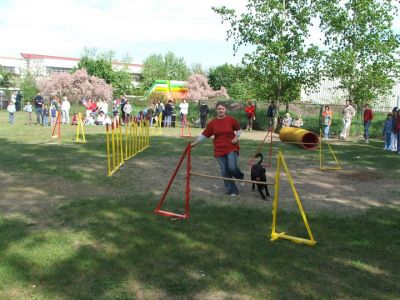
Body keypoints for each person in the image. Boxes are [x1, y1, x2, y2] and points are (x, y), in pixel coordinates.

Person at [191, 102, 244, 196]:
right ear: (216, 110)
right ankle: (232, 190)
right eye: (219, 109)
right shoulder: (213, 123)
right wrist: (194, 143)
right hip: (219, 149)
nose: (220, 110)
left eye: (222, 108)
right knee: (224, 171)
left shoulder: (231, 120)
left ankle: (240, 176)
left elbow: (238, 130)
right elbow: (204, 134)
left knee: (231, 167)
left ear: (225, 110)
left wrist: (236, 138)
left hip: (231, 147)